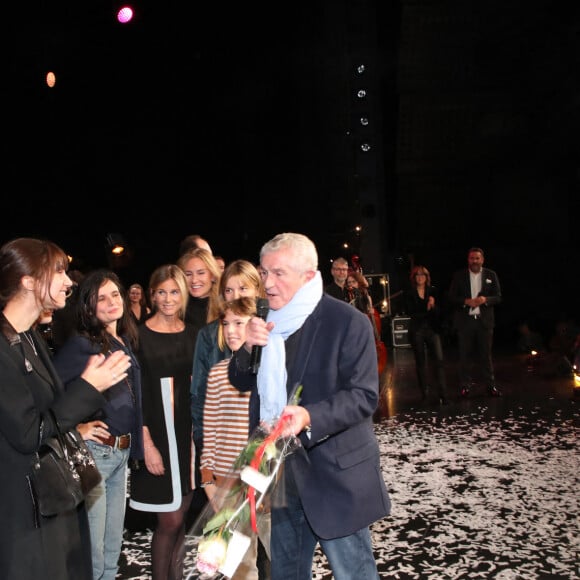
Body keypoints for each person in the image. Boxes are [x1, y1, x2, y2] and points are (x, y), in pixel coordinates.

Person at [227, 232, 390, 580]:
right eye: (264, 272)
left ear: (308, 276)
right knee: (286, 573)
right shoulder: (265, 321)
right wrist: (245, 348)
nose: (267, 283)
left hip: (335, 474)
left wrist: (309, 416)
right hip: (282, 472)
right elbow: (241, 380)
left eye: (278, 273)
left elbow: (364, 396)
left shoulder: (348, 322)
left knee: (354, 573)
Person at [0, 237, 131, 579]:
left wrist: (79, 421)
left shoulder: (28, 336)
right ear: (28, 280)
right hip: (25, 514)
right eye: (58, 271)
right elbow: (28, 433)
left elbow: (53, 407)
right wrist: (89, 389)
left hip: (51, 503)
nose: (69, 281)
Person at [52, 269, 144, 580]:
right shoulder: (83, 344)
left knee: (110, 550)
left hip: (119, 455)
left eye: (115, 294)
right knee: (92, 552)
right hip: (95, 455)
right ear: (88, 307)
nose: (111, 302)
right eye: (100, 298)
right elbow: (49, 390)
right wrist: (75, 429)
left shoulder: (124, 340)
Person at [129, 264, 197, 580]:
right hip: (157, 434)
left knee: (181, 517)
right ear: (152, 295)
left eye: (174, 292)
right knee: (168, 521)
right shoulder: (138, 336)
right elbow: (134, 394)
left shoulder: (194, 333)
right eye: (161, 292)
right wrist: (147, 443)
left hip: (188, 436)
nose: (168, 299)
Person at [200, 297, 271, 580]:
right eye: (225, 323)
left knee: (284, 557)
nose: (230, 330)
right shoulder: (218, 373)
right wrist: (208, 481)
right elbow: (210, 430)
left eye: (239, 323)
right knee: (239, 568)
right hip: (228, 483)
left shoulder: (271, 371)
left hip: (267, 480)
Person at [448, 247, 502, 397]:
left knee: (486, 355)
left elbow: (498, 297)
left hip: (484, 322)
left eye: (477, 258)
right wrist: (466, 301)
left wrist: (486, 300)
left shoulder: (491, 274)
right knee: (465, 356)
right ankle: (465, 386)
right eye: (472, 258)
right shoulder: (459, 276)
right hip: (466, 322)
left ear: (482, 260)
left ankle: (491, 386)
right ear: (468, 260)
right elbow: (451, 297)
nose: (474, 261)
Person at [404, 265, 448, 404]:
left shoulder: (433, 291)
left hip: (432, 329)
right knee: (421, 363)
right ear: (414, 277)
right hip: (417, 329)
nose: (420, 277)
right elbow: (410, 312)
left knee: (439, 361)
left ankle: (442, 394)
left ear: (427, 277)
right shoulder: (409, 293)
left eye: (423, 275)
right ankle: (425, 395)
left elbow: (441, 312)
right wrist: (426, 308)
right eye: (417, 275)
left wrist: (433, 306)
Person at [177, 247, 222, 336]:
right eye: (188, 274)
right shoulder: (177, 308)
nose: (194, 280)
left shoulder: (224, 307)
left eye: (201, 273)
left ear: (212, 275)